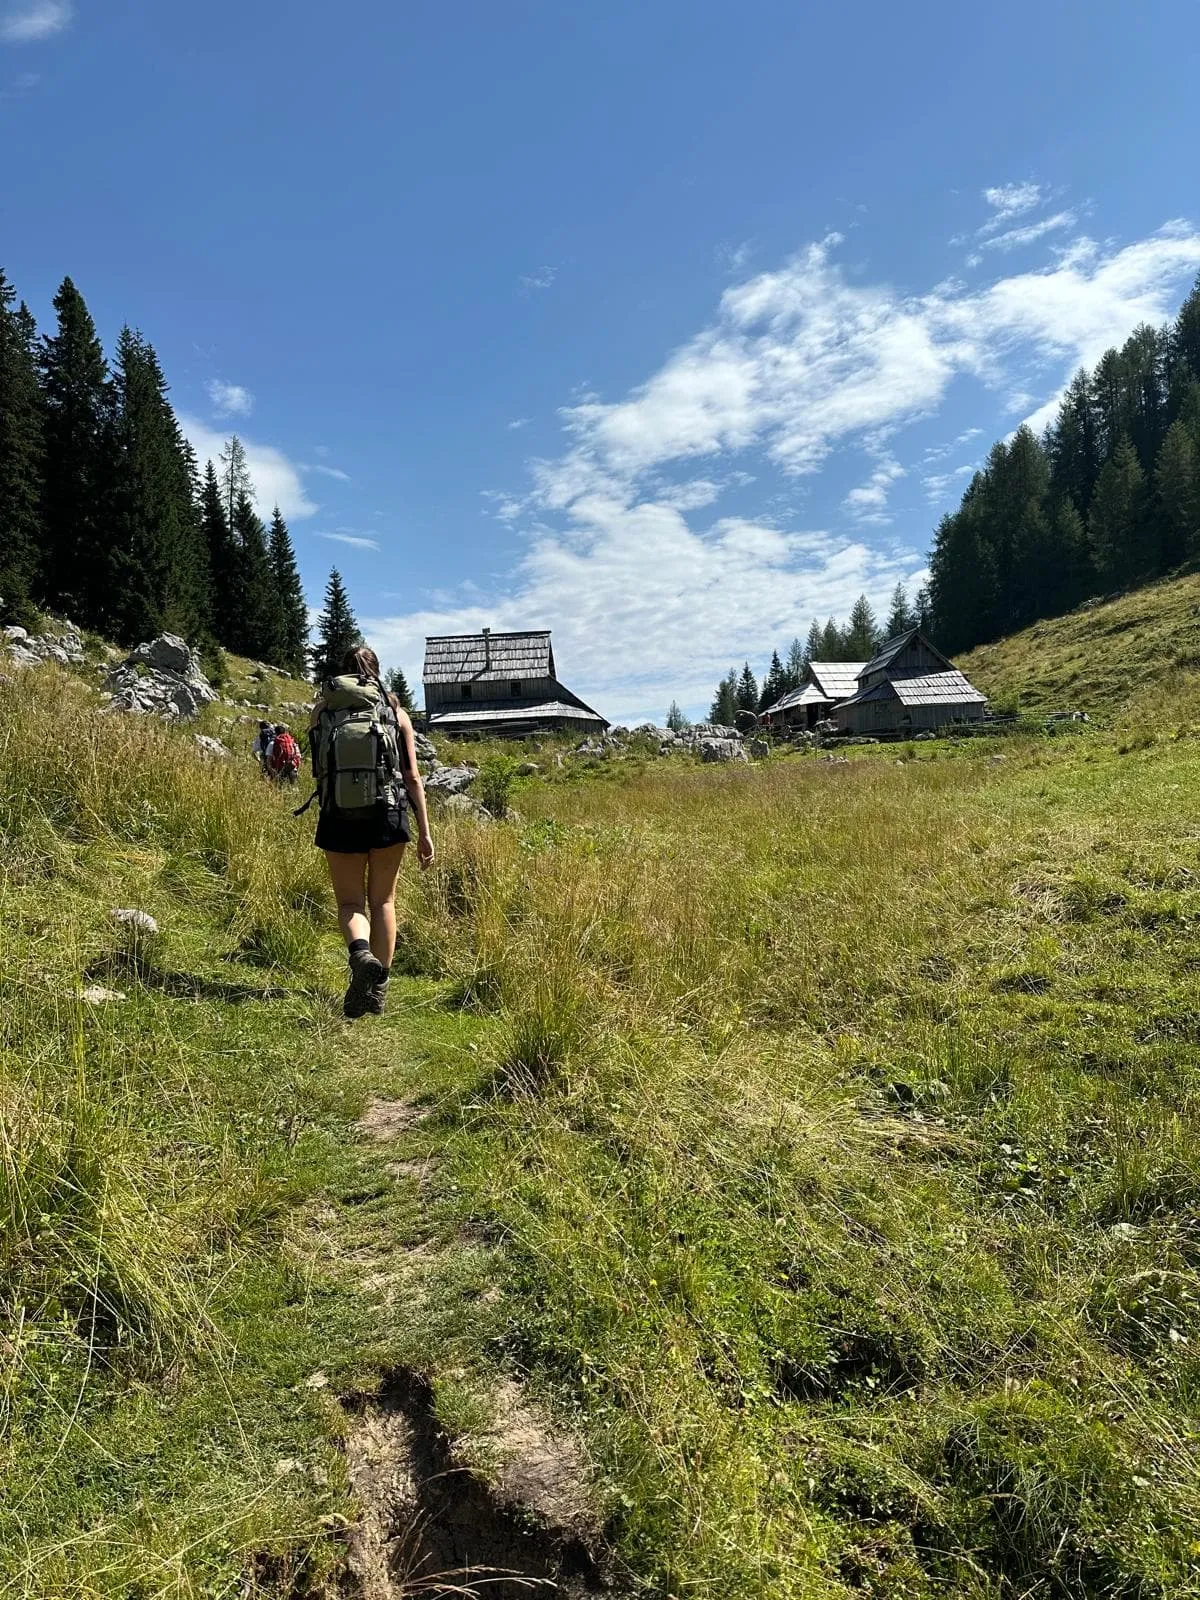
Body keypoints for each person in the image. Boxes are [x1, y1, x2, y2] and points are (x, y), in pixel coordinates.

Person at [307, 646, 434, 1018]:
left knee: (350, 904)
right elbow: (412, 776)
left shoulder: (323, 710)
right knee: (383, 903)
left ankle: (360, 953)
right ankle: (377, 992)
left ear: (343, 674)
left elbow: (316, 764)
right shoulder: (395, 712)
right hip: (388, 811)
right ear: (376, 673)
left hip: (338, 813)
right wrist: (425, 832)